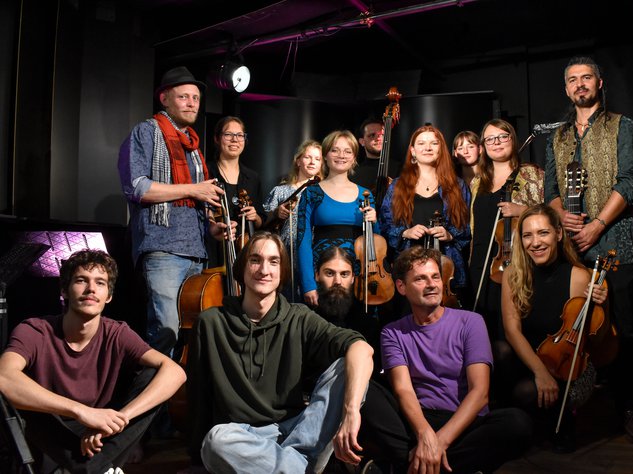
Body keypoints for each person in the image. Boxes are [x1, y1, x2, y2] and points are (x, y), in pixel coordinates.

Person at [186, 232, 374, 473]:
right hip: (241, 438)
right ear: (242, 268)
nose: (264, 269)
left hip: (299, 431)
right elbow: (198, 395)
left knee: (348, 366)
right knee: (216, 441)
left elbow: (362, 348)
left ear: (282, 271)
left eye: (273, 262)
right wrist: (195, 459)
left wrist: (351, 413)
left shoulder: (299, 316)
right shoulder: (211, 322)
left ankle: (290, 462)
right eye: (255, 260)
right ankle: (302, 468)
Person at [0, 250, 186, 474]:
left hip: (101, 433)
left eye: (100, 283)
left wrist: (120, 419)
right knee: (19, 388)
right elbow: (3, 377)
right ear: (64, 290)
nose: (91, 289)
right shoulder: (35, 330)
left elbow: (175, 372)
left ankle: (93, 468)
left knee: (154, 375)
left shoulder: (117, 333)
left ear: (108, 296)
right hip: (52, 428)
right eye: (81, 281)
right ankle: (100, 469)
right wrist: (80, 411)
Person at [543, 56, 633, 444]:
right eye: (573, 79)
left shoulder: (621, 125)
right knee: (570, 327)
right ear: (566, 88)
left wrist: (597, 224)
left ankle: (629, 410)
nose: (580, 84)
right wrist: (563, 218)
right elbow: (551, 192)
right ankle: (569, 412)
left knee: (622, 330)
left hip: (613, 243)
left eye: (586, 77)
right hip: (569, 248)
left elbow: (630, 181)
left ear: (599, 83)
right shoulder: (557, 137)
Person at [358, 246, 533, 473]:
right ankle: (450, 466)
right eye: (420, 279)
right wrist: (425, 434)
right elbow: (403, 390)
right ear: (401, 287)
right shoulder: (392, 332)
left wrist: (437, 442)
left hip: (463, 422)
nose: (431, 284)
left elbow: (480, 393)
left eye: (435, 277)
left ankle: (407, 465)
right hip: (418, 420)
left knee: (517, 423)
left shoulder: (471, 322)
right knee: (362, 388)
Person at [118, 66, 229, 356]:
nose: (192, 102)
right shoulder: (146, 132)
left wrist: (212, 229)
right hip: (162, 249)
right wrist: (193, 189)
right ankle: (153, 400)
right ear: (164, 98)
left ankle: (184, 400)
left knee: (196, 336)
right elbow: (138, 188)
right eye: (184, 97)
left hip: (196, 250)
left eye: (195, 97)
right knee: (165, 330)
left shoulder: (192, 145)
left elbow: (194, 203)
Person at [500, 204, 609, 452]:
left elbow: (593, 340)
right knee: (498, 352)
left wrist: (605, 302)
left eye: (543, 233)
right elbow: (512, 330)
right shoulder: (512, 274)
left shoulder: (578, 276)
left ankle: (553, 419)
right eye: (527, 235)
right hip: (530, 360)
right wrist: (540, 373)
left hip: (565, 365)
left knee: (524, 393)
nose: (535, 242)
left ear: (559, 234)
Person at [468, 118, 544, 340]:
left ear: (512, 139)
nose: (497, 142)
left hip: (514, 260)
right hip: (481, 261)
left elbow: (549, 216)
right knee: (484, 329)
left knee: (513, 326)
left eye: (503, 136)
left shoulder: (532, 174)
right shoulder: (478, 181)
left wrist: (522, 210)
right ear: (483, 146)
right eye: (490, 138)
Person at [379, 124, 471, 308]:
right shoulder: (397, 186)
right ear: (412, 151)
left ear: (441, 149)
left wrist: (450, 234)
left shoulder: (458, 186)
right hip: (409, 263)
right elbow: (385, 224)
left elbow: (467, 226)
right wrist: (405, 232)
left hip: (446, 266)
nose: (427, 148)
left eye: (433, 143)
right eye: (421, 143)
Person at [296, 130, 378, 308]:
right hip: (323, 276)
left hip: (358, 277)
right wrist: (309, 284)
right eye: (335, 150)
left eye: (348, 151)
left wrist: (374, 222)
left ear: (354, 157)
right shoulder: (311, 193)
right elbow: (302, 240)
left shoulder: (366, 194)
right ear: (325, 155)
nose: (341, 156)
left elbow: (377, 243)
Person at [262, 139, 324, 300]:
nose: (312, 162)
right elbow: (262, 224)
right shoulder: (281, 191)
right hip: (286, 253)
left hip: (314, 252)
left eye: (317, 159)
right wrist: (276, 214)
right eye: (308, 157)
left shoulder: (324, 192)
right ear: (298, 160)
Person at [207, 116, 266, 268]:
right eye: (228, 135)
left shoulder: (252, 177)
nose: (235, 140)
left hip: (244, 252)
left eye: (240, 135)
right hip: (213, 249)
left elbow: (262, 220)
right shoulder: (206, 172)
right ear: (217, 138)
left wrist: (255, 217)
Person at [315, 246, 382, 372]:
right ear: (317, 275)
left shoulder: (368, 322)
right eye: (329, 273)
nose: (337, 281)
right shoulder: (306, 319)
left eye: (344, 274)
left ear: (352, 278)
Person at [352, 117, 401, 194]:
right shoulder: (354, 173)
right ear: (362, 142)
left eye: (382, 135)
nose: (378, 138)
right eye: (372, 135)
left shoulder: (399, 168)